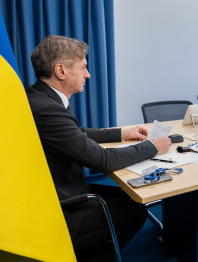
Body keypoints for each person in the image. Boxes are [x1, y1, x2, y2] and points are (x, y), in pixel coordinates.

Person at [26, 35, 172, 261]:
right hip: (59, 209)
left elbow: (76, 133)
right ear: (61, 71)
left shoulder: (40, 97)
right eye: (83, 67)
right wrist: (151, 147)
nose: (88, 74)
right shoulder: (47, 109)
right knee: (135, 210)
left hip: (56, 191)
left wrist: (122, 133)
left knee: (130, 195)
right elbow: (104, 161)